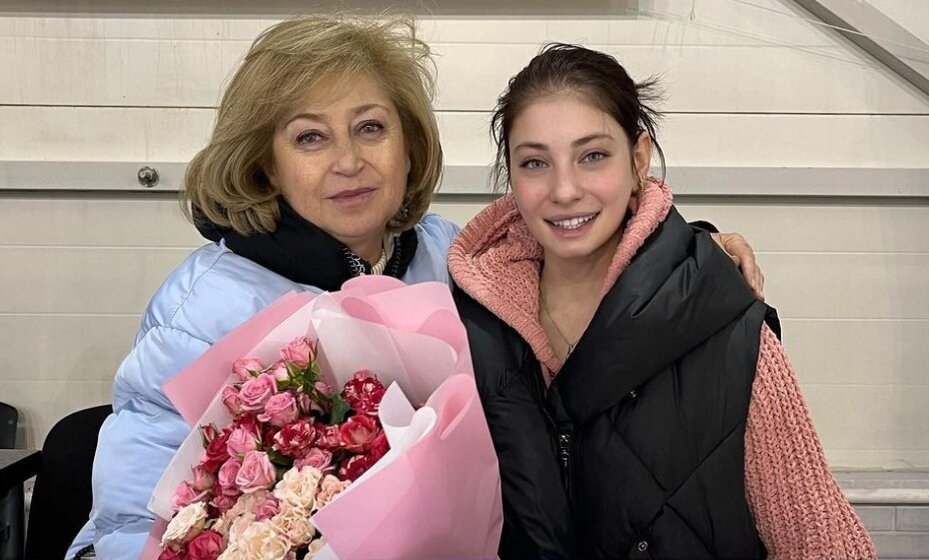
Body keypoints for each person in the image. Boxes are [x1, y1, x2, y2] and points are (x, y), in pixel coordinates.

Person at [67, 17, 761, 559]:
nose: (348, 161)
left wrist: (692, 255)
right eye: (310, 139)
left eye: (370, 128)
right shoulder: (202, 306)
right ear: (265, 163)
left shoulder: (461, 258)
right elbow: (129, 523)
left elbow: (584, 245)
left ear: (408, 144)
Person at [449, 44, 876, 559]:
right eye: (535, 162)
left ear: (639, 158)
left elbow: (824, 545)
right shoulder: (468, 328)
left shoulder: (730, 334)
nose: (564, 190)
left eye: (592, 155)